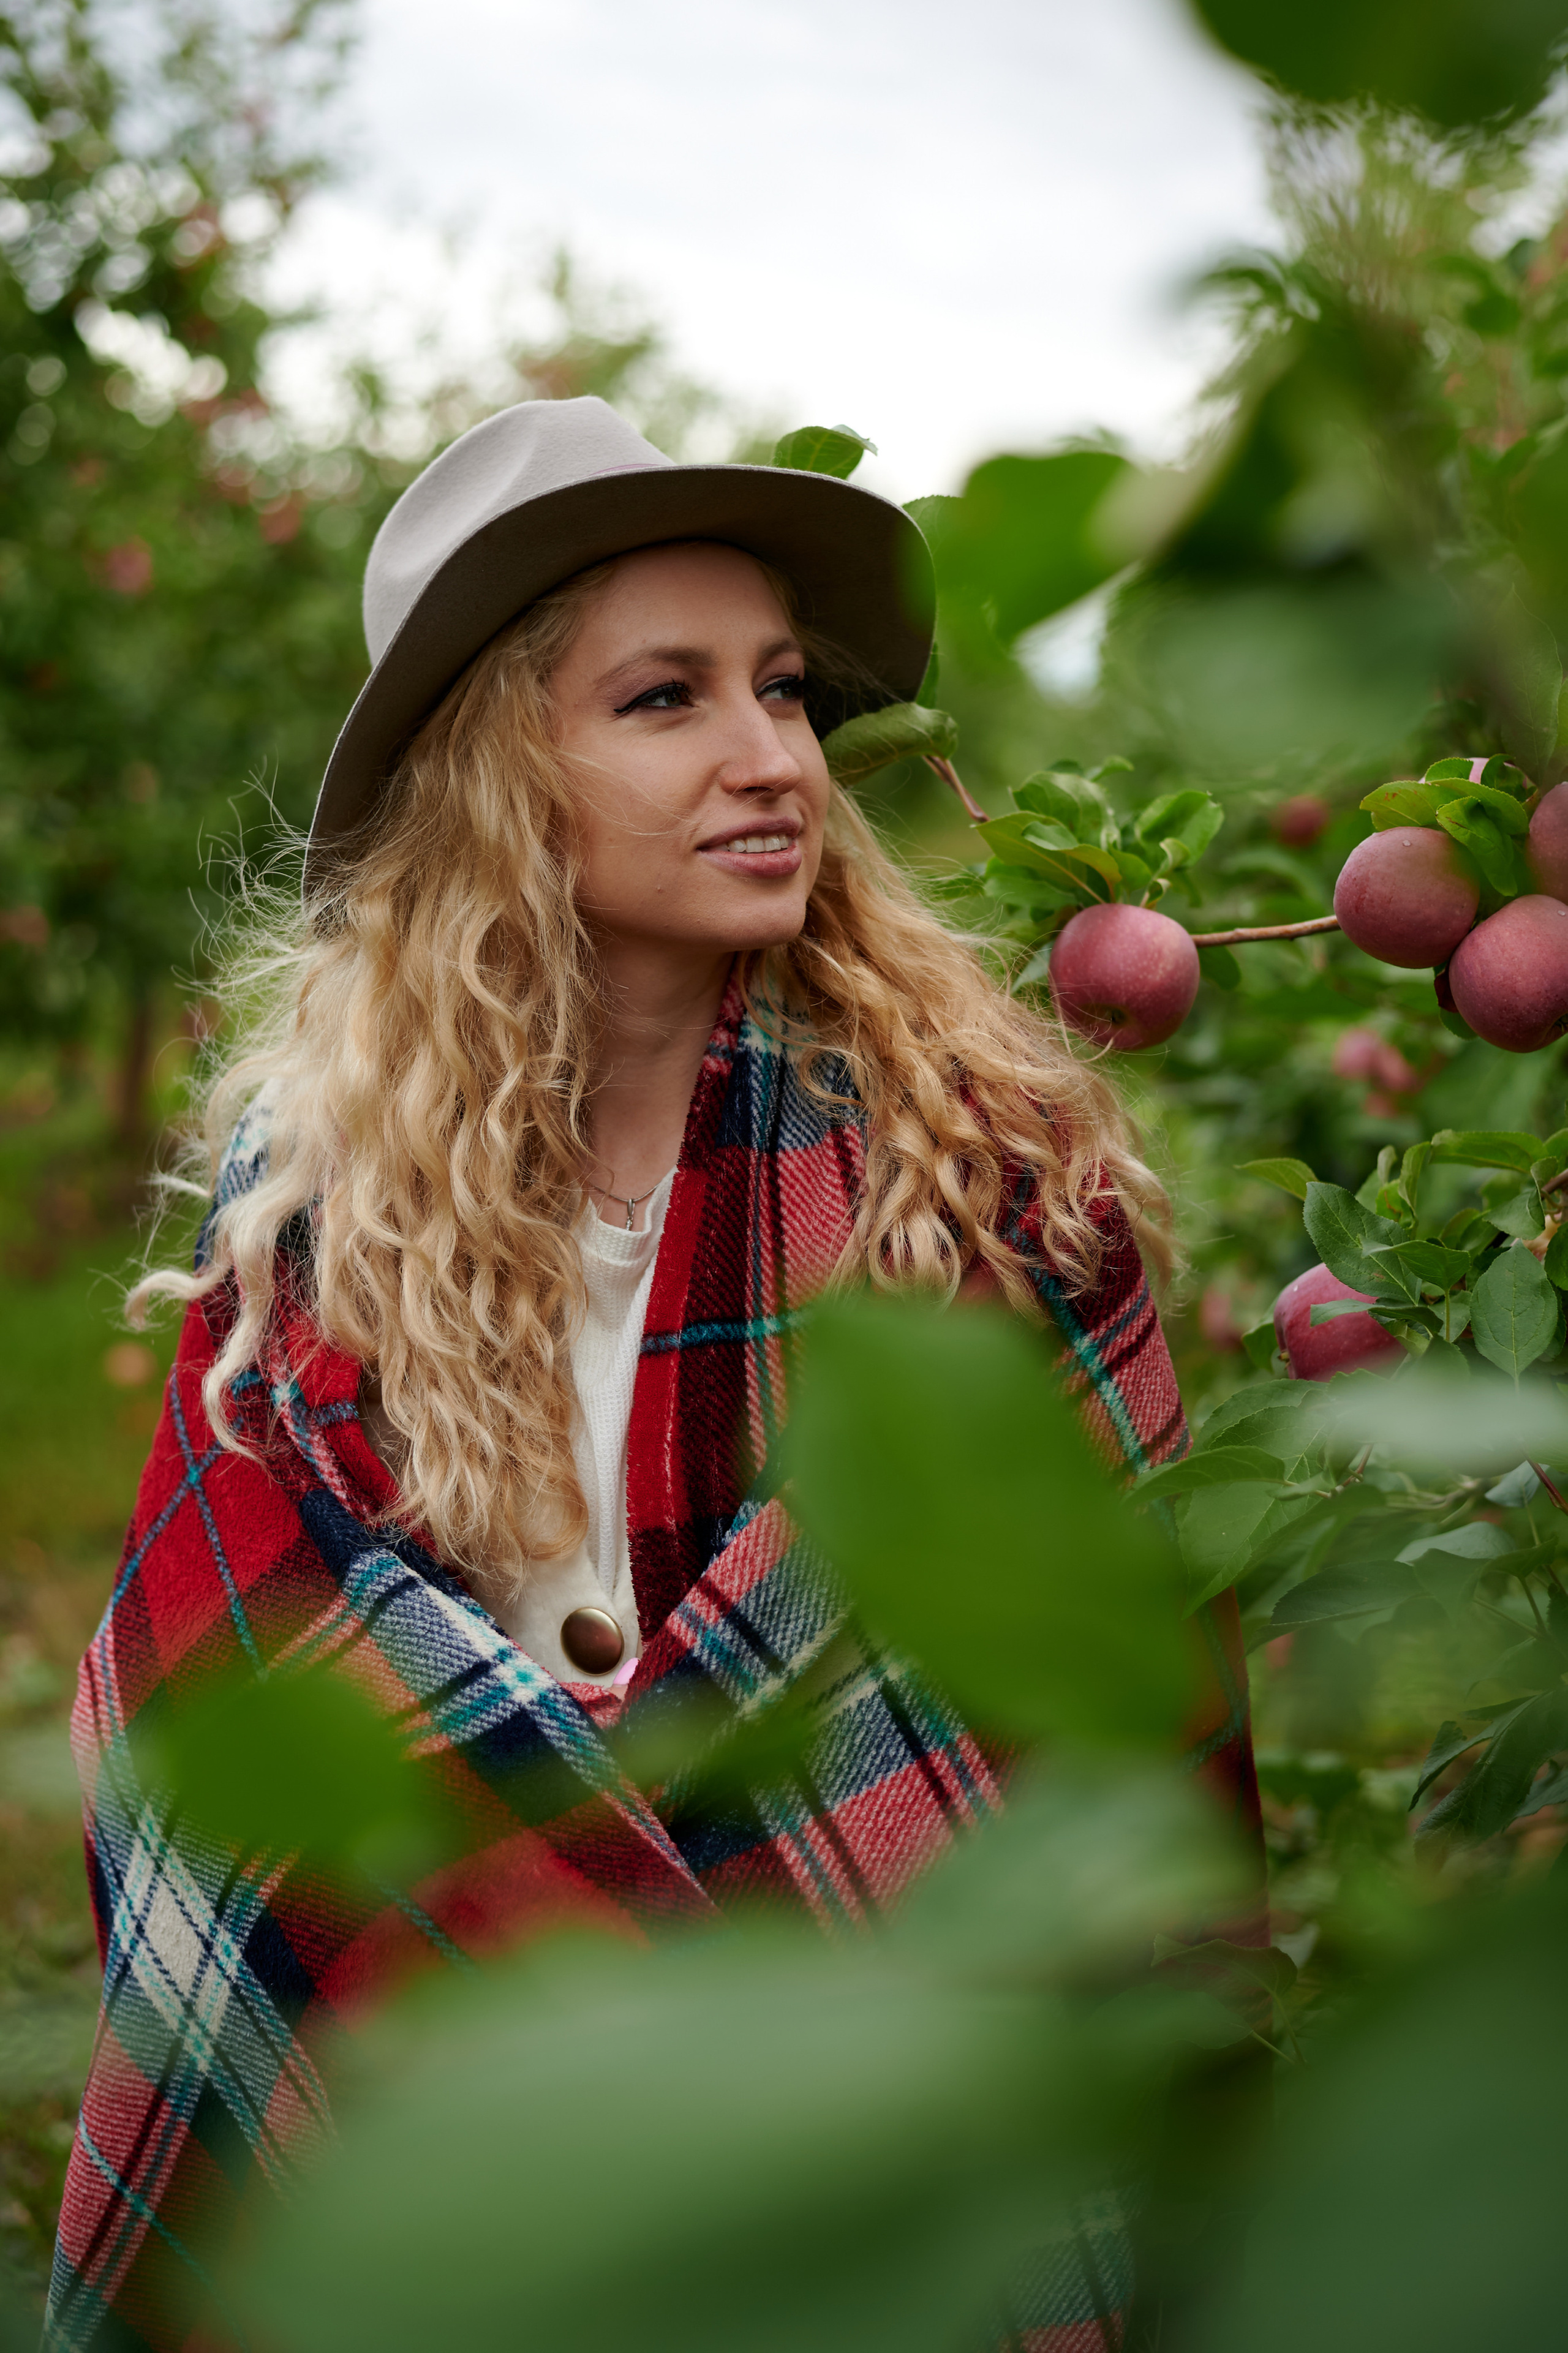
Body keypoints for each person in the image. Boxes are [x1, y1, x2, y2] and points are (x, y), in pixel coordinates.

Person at [45, 397, 1260, 2349]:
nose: (774, 754)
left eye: (781, 687)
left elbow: (1121, 1750)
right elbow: (218, 1737)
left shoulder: (984, 1195)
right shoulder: (317, 1231)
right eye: (665, 698)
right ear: (495, 774)